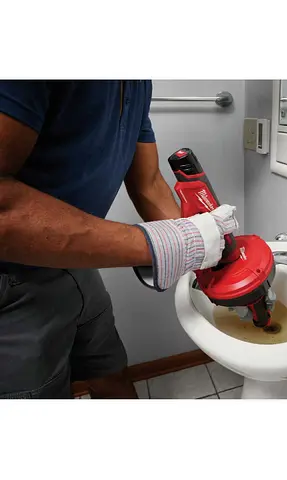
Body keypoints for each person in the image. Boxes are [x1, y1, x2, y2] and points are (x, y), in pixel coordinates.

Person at [0, 80, 238, 399]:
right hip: (10, 283)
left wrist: (207, 248)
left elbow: (148, 183)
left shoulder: (138, 83)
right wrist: (175, 243)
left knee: (110, 372)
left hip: (75, 264)